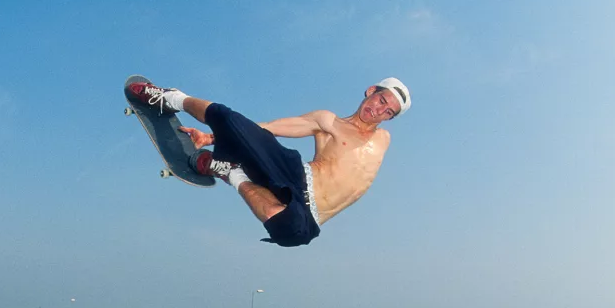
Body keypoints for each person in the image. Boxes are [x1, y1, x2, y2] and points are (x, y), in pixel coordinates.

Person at [127, 77, 410, 248]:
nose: (379, 110)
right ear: (371, 90)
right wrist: (211, 137)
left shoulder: (383, 138)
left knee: (288, 234)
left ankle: (229, 171)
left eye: (388, 111)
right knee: (229, 118)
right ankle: (170, 98)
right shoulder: (328, 122)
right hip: (297, 176)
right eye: (381, 99)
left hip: (312, 217)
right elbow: (271, 128)